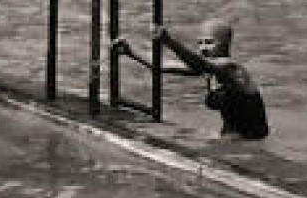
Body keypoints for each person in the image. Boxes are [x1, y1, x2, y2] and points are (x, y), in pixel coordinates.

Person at [114, 19, 269, 140]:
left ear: (225, 44)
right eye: (200, 43)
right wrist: (131, 52)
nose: (202, 48)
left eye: (209, 42)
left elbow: (201, 64)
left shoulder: (232, 68)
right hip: (231, 138)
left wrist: (169, 41)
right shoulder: (209, 69)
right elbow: (163, 66)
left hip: (253, 142)